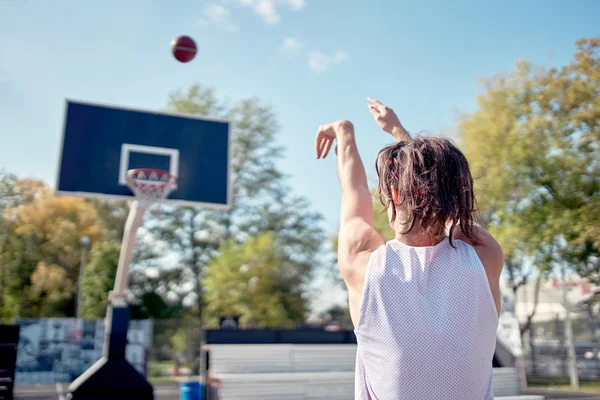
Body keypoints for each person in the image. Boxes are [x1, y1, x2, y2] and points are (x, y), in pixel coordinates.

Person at [315, 98, 503, 400]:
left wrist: (344, 133)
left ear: (392, 192)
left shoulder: (363, 265)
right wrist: (399, 132)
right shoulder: (483, 256)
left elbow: (354, 192)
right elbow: (450, 204)